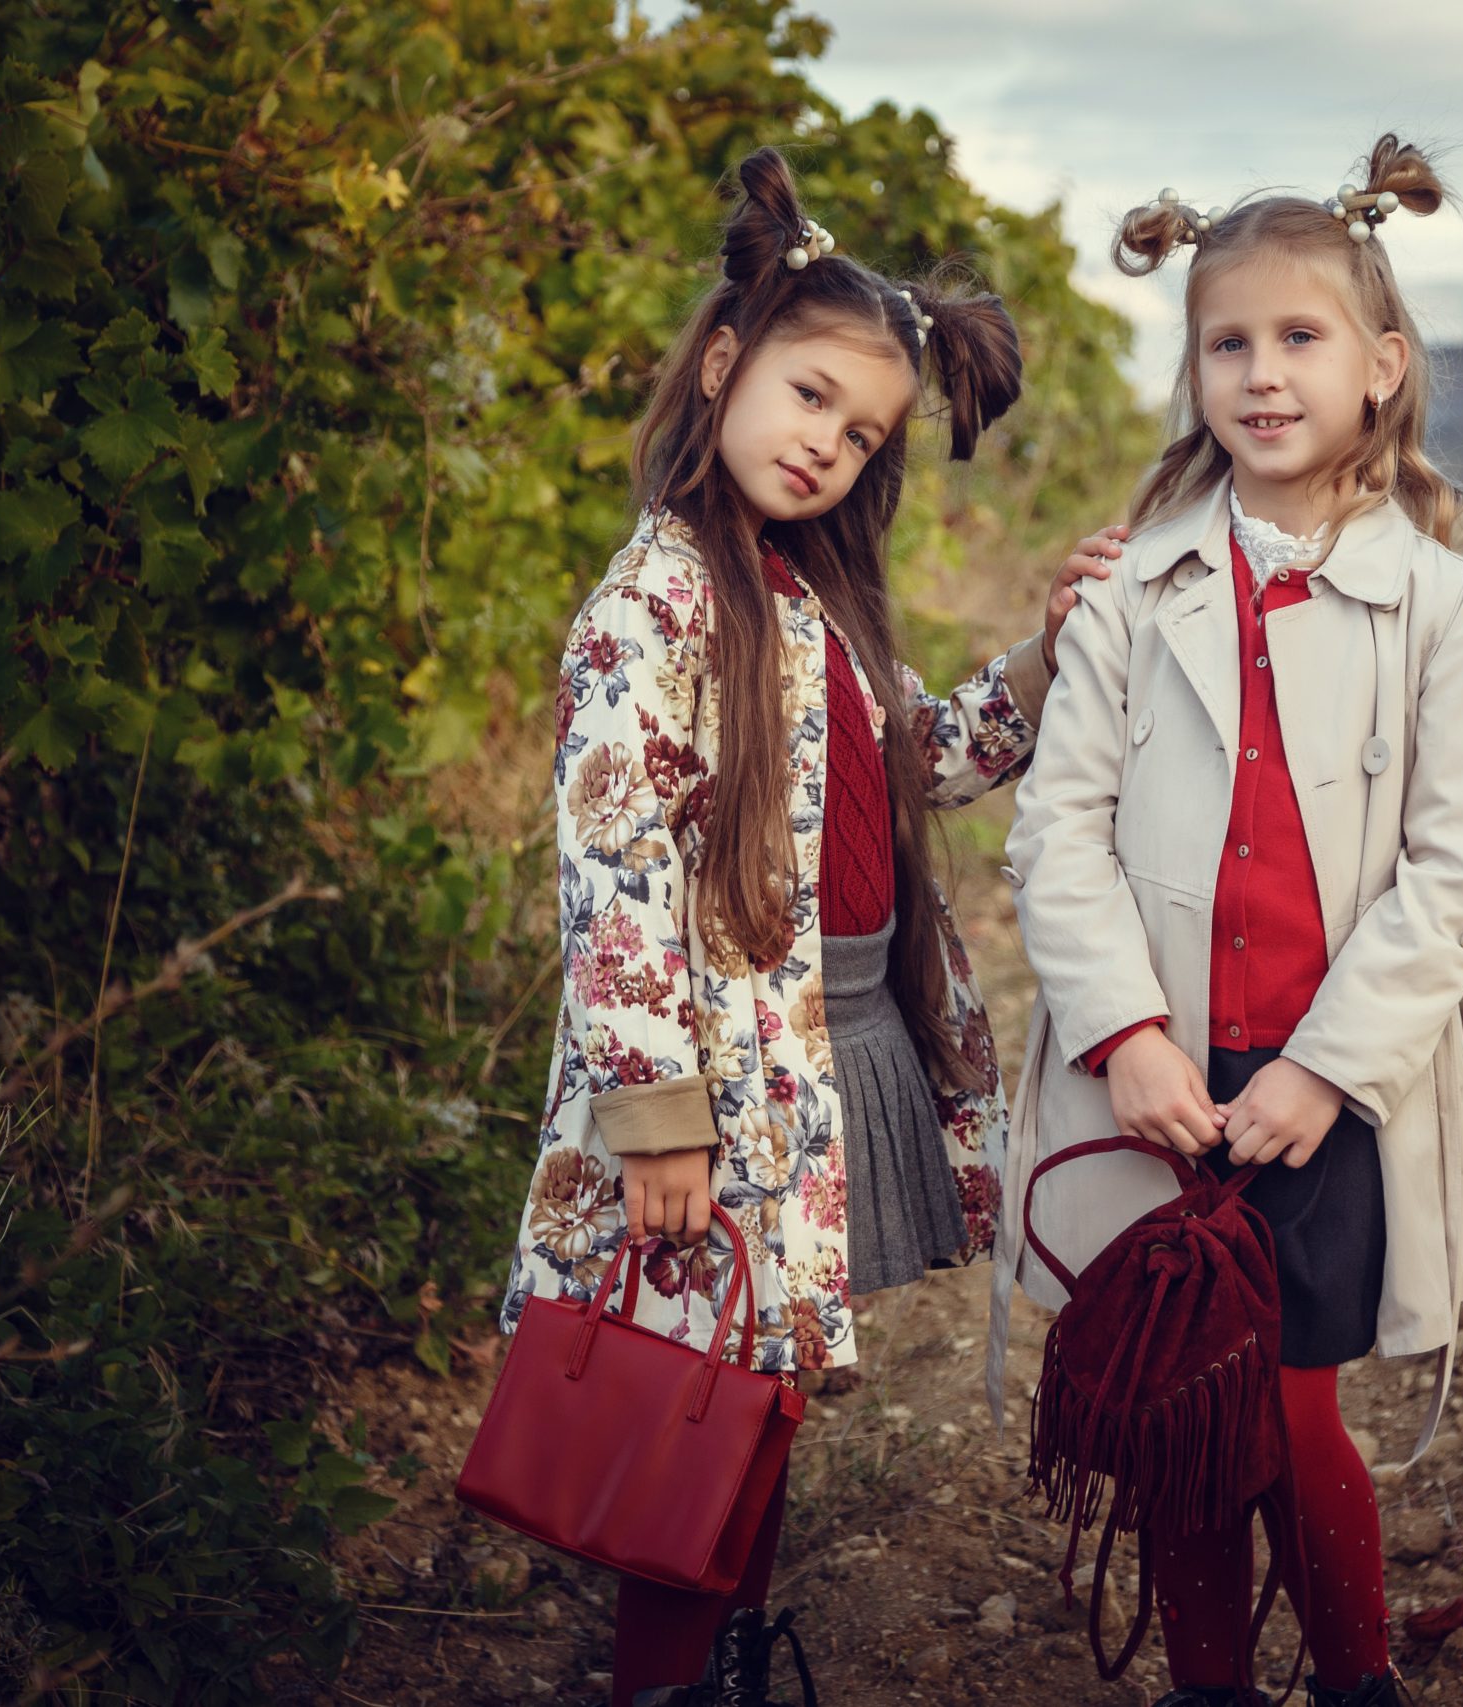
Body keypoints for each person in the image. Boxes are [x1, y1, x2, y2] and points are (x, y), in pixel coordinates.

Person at [496, 146, 1091, 1707]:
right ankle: (670, 1682)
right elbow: (614, 877)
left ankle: (731, 1658)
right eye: (810, 394)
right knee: (687, 1403)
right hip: (710, 1079)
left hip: (817, 1049)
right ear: (722, 365)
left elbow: (924, 759)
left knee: (758, 1398)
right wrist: (657, 1123)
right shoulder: (658, 605)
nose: (829, 440)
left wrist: (1047, 655)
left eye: (863, 428)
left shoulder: (798, 596)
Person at [996, 135, 1463, 1707]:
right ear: (1195, 369)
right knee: (1183, 1411)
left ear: (1382, 367)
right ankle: (1211, 1691)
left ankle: (1358, 1682)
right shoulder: (1128, 597)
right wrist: (1127, 1037)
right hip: (1159, 1071)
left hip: (1320, 1090)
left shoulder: (1452, 607)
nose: (1263, 374)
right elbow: (1057, 833)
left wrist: (1320, 1070)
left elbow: (1452, 877)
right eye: (1228, 343)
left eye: (1300, 339)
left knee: (1290, 1416)